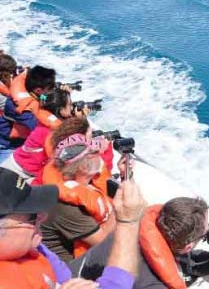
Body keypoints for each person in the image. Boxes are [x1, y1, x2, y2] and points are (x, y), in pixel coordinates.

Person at [0, 167, 146, 289]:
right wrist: (128, 222)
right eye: (32, 217)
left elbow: (65, 278)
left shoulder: (34, 248)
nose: (42, 217)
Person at [71, 196, 209, 289]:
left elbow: (178, 259)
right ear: (188, 246)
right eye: (205, 233)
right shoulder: (153, 284)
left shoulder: (127, 234)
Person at [39, 133, 120, 261]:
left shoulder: (84, 182)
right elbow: (103, 242)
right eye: (95, 152)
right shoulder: (65, 205)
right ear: (83, 167)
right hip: (71, 271)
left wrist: (126, 173)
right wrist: (119, 206)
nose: (100, 153)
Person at [2, 88, 88, 183]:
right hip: (21, 172)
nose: (72, 108)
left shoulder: (45, 121)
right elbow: (79, 145)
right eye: (70, 105)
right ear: (61, 110)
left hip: (18, 165)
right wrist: (82, 120)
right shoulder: (54, 130)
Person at [0, 52, 31, 153]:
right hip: (7, 143)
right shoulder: (6, 99)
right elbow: (27, 116)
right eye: (12, 73)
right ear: (5, 75)